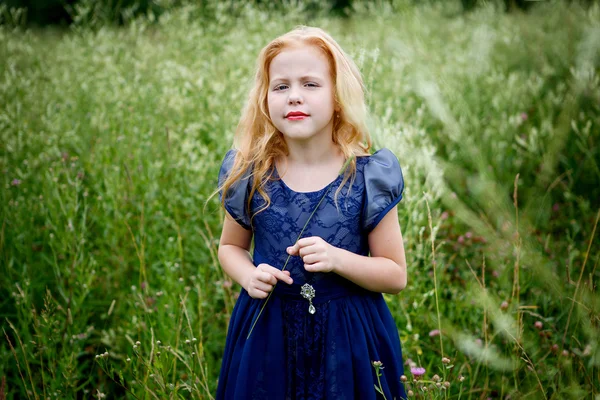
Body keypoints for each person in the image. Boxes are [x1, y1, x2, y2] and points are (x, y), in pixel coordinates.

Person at [215, 26, 408, 399]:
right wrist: (248, 275)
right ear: (265, 98)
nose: (294, 97)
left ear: (337, 97)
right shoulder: (250, 172)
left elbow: (395, 274)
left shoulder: (368, 174)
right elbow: (230, 248)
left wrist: (338, 259)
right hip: (267, 334)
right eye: (281, 86)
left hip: (349, 339)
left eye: (311, 84)